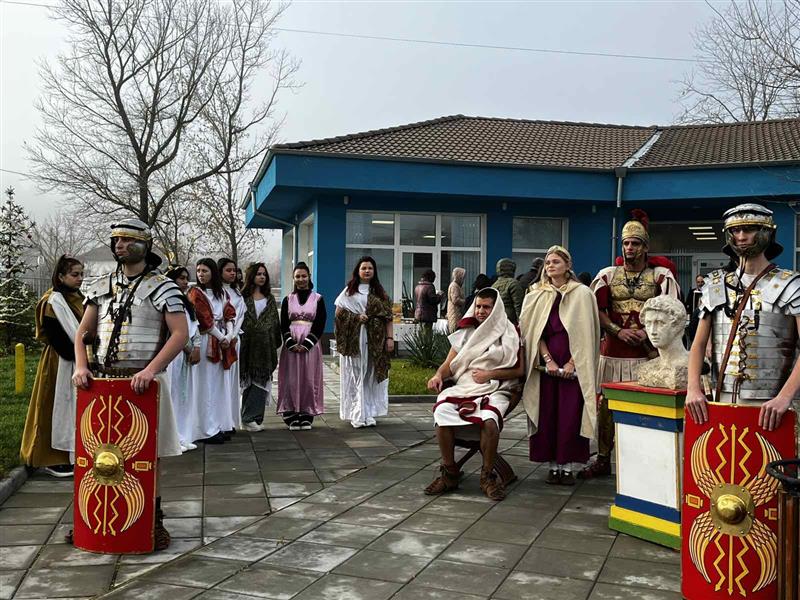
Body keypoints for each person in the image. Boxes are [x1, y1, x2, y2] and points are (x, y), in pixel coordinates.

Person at [72, 218, 188, 550]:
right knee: (99, 457)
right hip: (103, 383)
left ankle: (152, 521)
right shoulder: (100, 286)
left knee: (147, 456)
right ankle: (92, 521)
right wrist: (81, 366)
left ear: (143, 245)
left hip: (144, 384)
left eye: (126, 240)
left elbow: (179, 334)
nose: (119, 245)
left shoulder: (163, 287)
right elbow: (83, 334)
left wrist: (151, 370)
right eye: (116, 240)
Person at [579, 209, 680, 479]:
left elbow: (672, 310)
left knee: (646, 406)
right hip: (613, 352)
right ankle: (603, 458)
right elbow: (595, 308)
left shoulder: (660, 276)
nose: (629, 248)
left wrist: (647, 333)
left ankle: (644, 460)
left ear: (645, 247)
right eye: (626, 243)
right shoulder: (607, 275)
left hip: (648, 355)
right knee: (606, 407)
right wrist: (617, 330)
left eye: (635, 243)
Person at [686, 204, 800, 437]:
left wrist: (785, 397)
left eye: (748, 229)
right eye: (735, 230)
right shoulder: (715, 284)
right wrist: (693, 389)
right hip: (721, 398)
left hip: (774, 403)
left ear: (766, 232)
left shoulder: (791, 285)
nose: (741, 236)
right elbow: (698, 344)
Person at [425, 288, 524, 501]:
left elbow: (519, 370)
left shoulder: (510, 333)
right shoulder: (466, 332)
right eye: (478, 306)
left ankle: (487, 476)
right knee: (442, 411)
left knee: (489, 420)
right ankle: (450, 472)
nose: (480, 311)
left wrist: (490, 373)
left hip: (496, 388)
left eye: (486, 307)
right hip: (464, 387)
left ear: (496, 309)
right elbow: (448, 364)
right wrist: (438, 375)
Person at [519, 246, 600, 485]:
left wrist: (573, 363)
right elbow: (533, 332)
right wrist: (549, 360)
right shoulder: (536, 293)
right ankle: (553, 466)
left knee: (570, 415)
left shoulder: (583, 294)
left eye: (555, 261)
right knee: (548, 414)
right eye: (547, 262)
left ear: (568, 265)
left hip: (574, 363)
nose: (550, 266)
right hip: (547, 365)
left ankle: (568, 467)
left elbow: (587, 334)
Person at [20, 255, 85, 477]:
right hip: (59, 361)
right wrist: (82, 354)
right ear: (61, 276)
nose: (80, 278)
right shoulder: (52, 301)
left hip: (77, 359)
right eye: (75, 274)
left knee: (73, 409)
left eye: (81, 274)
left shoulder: (78, 297)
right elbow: (59, 340)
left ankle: (72, 453)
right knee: (52, 407)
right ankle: (49, 457)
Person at [335, 256, 394, 428]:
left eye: (370, 268)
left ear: (374, 271)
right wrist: (356, 317)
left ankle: (368, 412)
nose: (367, 271)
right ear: (358, 271)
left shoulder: (380, 293)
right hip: (356, 338)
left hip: (376, 340)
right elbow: (339, 313)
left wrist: (390, 338)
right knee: (356, 374)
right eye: (364, 268)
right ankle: (357, 414)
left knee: (370, 374)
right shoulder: (349, 292)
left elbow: (388, 318)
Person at [187, 258, 237, 444]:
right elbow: (204, 320)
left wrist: (229, 335)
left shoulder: (222, 293)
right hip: (206, 341)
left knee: (219, 384)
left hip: (222, 341)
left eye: (205, 270)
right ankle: (206, 429)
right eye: (199, 270)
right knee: (205, 384)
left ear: (213, 272)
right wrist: (222, 337)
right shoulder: (195, 293)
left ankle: (219, 424)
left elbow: (229, 314)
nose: (200, 274)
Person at [278, 262, 327, 430]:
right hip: (291, 345)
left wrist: (307, 344)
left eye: (304, 276)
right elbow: (284, 324)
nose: (301, 279)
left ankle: (306, 413)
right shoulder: (287, 299)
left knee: (308, 378)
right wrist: (290, 343)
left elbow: (320, 323)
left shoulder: (318, 299)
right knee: (290, 378)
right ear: (293, 278)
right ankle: (291, 413)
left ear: (309, 277)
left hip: (310, 345)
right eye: (297, 276)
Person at [239, 262, 281, 432]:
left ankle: (254, 417)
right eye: (258, 274)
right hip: (247, 346)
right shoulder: (243, 298)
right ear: (251, 276)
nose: (262, 277)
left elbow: (274, 323)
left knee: (261, 382)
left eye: (264, 274)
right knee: (249, 382)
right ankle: (247, 417)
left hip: (265, 348)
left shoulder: (269, 299)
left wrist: (269, 337)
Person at [165, 265, 200, 452]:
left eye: (187, 278)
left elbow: (195, 326)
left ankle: (183, 434)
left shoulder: (186, 302)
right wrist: (186, 347)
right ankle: (173, 438)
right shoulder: (166, 301)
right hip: (174, 354)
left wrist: (196, 347)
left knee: (184, 395)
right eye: (181, 278)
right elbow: (173, 331)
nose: (186, 282)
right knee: (172, 394)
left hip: (187, 354)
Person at [219, 258, 245, 434]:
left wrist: (234, 335)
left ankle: (231, 420)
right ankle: (219, 421)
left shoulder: (237, 293)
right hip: (219, 340)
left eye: (234, 270)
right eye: (228, 270)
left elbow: (240, 316)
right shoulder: (216, 292)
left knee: (232, 381)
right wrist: (226, 336)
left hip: (234, 340)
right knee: (220, 381)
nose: (232, 273)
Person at [492, 258, 524, 324]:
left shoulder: (494, 285)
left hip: (497, 319)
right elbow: (519, 305)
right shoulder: (513, 283)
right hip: (510, 321)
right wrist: (521, 322)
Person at [446, 267, 466, 333]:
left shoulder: (457, 285)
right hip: (455, 312)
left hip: (457, 312)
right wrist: (465, 301)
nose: (463, 279)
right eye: (462, 277)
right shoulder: (454, 286)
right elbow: (455, 300)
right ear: (458, 276)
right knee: (455, 330)